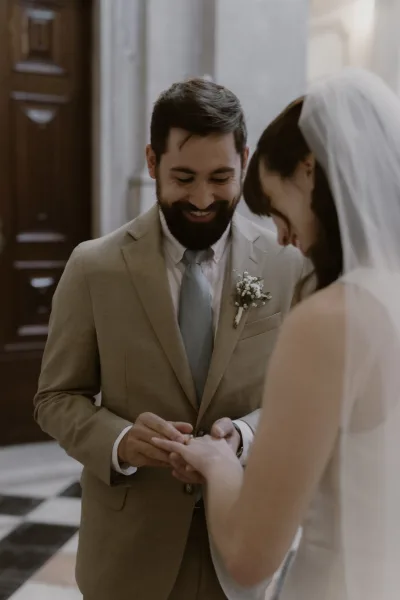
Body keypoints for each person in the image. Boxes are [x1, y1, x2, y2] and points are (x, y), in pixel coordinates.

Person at [34, 78, 304, 600]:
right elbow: (55, 398)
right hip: (128, 558)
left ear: (245, 160)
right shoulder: (95, 266)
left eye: (221, 177)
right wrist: (119, 441)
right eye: (183, 177)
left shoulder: (285, 261)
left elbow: (299, 398)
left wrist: (243, 438)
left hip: (240, 550)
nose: (202, 199)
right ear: (152, 162)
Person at [153, 68, 400, 600]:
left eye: (275, 207)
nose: (283, 237)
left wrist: (218, 463)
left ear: (308, 172)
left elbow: (248, 552)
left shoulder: (332, 319)